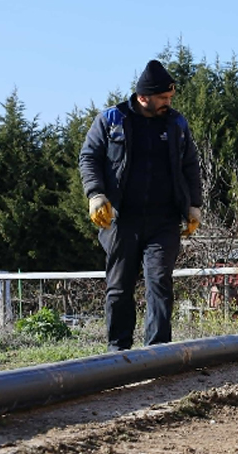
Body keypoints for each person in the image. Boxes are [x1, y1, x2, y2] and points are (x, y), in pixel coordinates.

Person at [79, 60, 203, 351]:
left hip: (164, 220)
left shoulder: (177, 124)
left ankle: (158, 352)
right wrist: (96, 194)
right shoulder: (111, 120)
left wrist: (194, 205)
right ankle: (118, 352)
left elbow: (190, 165)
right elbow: (89, 158)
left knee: (159, 282)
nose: (168, 103)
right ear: (143, 96)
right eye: (163, 98)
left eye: (170, 98)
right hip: (122, 220)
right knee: (119, 288)